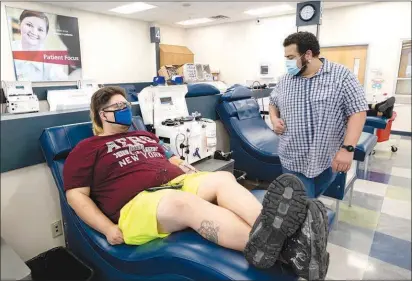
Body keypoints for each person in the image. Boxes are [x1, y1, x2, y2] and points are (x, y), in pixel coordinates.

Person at [64, 86, 329, 280]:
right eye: (117, 108)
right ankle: (289, 248)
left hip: (177, 182)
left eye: (126, 106)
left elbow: (167, 155)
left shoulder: (144, 136)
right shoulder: (87, 148)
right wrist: (107, 227)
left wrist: (178, 162)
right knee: (183, 203)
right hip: (137, 204)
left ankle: (282, 234)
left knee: (223, 178)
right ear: (101, 115)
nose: (125, 111)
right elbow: (76, 195)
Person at [269, 32, 368, 198]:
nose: (288, 63)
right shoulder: (285, 80)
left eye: (291, 57)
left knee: (313, 198)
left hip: (327, 159)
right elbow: (273, 103)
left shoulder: (341, 76)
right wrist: (274, 119)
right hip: (292, 158)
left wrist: (348, 149)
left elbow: (358, 111)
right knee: (301, 206)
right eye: (286, 58)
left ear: (308, 54)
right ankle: (308, 221)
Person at [11, 10, 67, 81]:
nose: (34, 32)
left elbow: (61, 83)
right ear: (19, 24)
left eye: (40, 29)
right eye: (29, 25)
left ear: (46, 35)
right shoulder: (7, 49)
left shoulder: (50, 60)